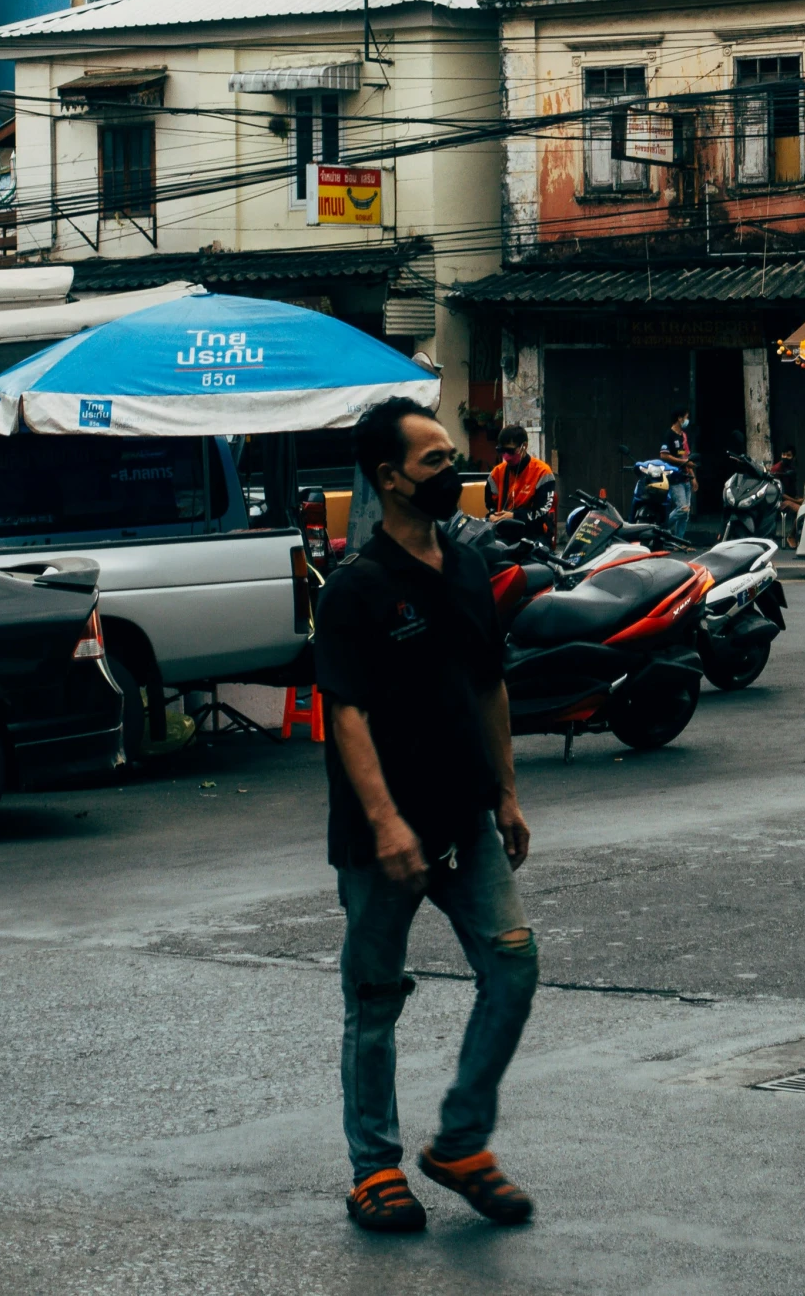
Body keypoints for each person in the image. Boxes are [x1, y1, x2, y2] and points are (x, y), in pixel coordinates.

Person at [315, 397, 538, 1237]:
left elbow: (489, 684)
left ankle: (462, 1144)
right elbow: (347, 715)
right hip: (383, 836)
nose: (455, 473)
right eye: (436, 462)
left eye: (453, 456)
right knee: (375, 998)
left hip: (465, 819)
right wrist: (385, 824)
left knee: (512, 966)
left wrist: (507, 793)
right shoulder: (357, 589)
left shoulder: (469, 567)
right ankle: (373, 1169)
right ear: (390, 479)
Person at [484, 423, 557, 540]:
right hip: (502, 533)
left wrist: (514, 516)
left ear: (524, 446)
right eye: (501, 451)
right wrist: (492, 515)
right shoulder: (496, 473)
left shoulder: (543, 472)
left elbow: (542, 512)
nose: (506, 457)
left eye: (510, 451)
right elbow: (490, 504)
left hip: (534, 533)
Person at [661, 406, 696, 540]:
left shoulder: (683, 437)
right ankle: (661, 528)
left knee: (685, 514)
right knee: (682, 508)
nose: (687, 421)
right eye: (686, 418)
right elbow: (664, 455)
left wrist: (692, 476)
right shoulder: (669, 435)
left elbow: (685, 456)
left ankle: (679, 540)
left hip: (686, 478)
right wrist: (683, 463)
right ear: (679, 419)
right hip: (675, 478)